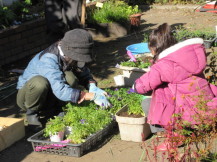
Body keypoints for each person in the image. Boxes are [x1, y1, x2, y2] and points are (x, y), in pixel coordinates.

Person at [133, 23, 217, 150]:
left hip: (188, 108)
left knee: (150, 100)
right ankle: (193, 129)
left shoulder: (165, 64)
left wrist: (134, 86)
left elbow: (143, 85)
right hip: (203, 100)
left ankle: (175, 136)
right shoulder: (186, 55)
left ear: (156, 48)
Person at [16, 28, 111, 130]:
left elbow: (82, 71)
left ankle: (55, 110)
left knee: (70, 77)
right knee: (40, 82)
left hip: (49, 92)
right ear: (69, 51)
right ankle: (32, 114)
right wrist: (87, 95)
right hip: (28, 96)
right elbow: (60, 89)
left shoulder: (69, 54)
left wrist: (91, 85)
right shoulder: (48, 59)